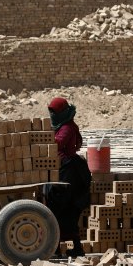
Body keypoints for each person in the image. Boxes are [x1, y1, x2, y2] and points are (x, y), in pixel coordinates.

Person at [45, 97, 91, 257]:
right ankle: (59, 248)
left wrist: (43, 139)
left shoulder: (67, 127)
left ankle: (69, 248)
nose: (52, 115)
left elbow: (57, 143)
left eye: (54, 112)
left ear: (62, 112)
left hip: (69, 173)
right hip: (62, 171)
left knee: (62, 208)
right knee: (58, 210)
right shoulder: (60, 126)